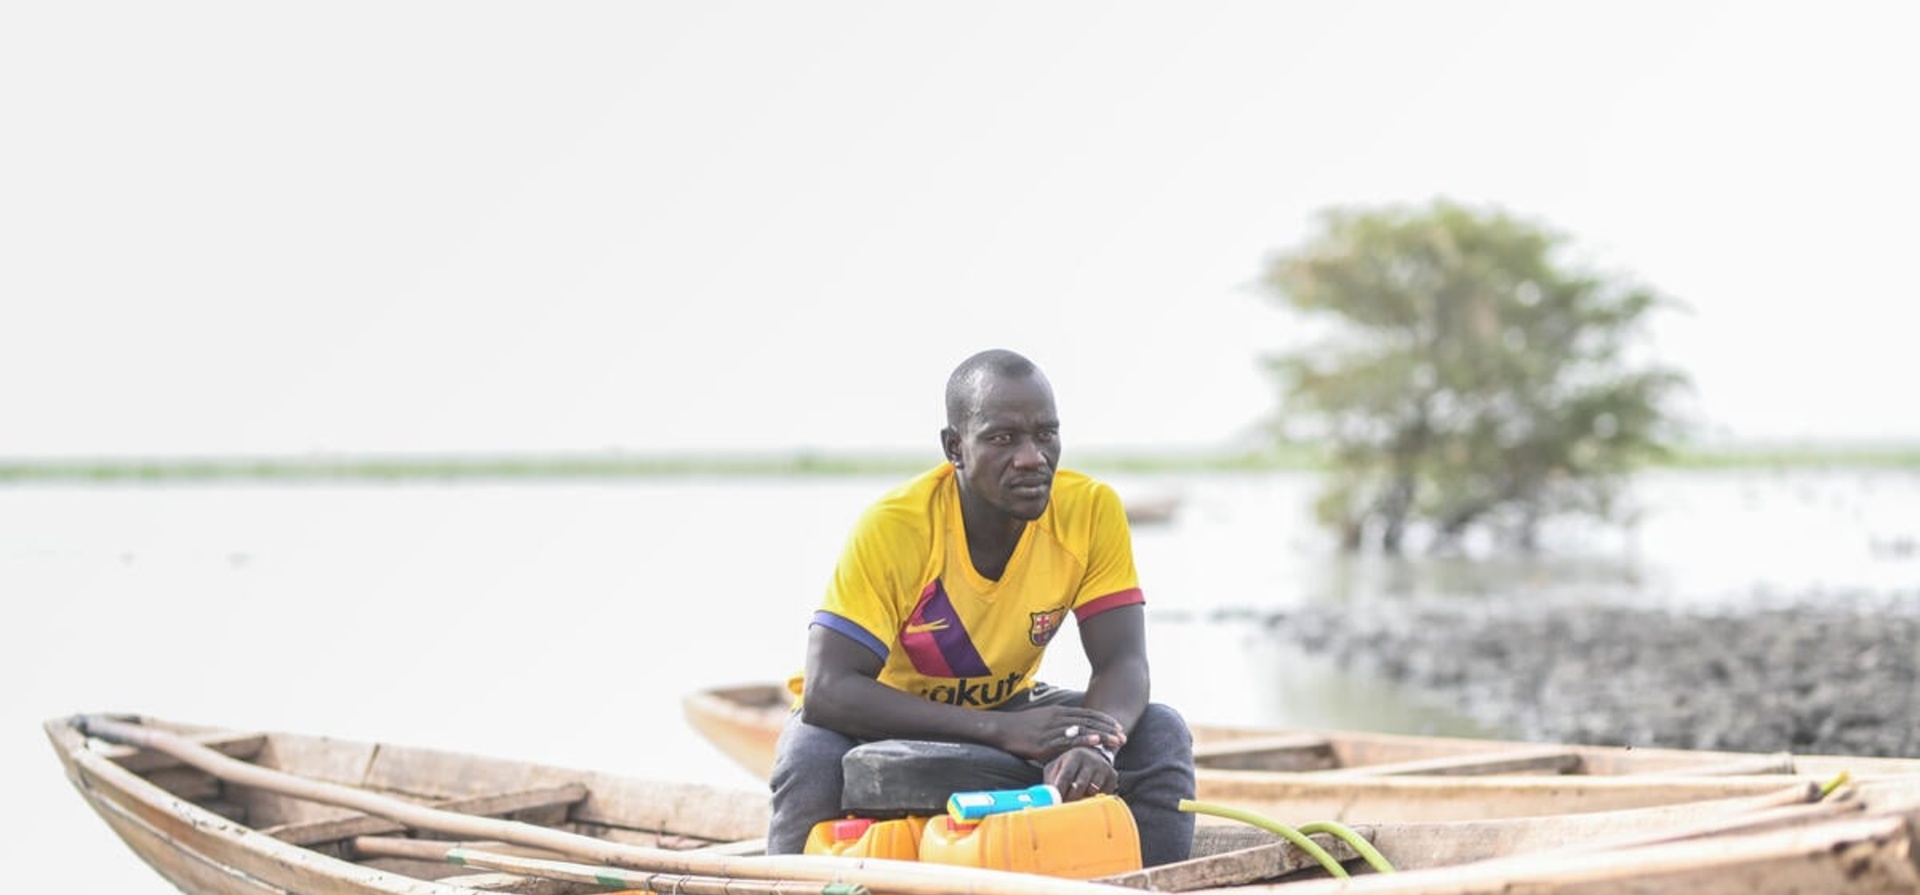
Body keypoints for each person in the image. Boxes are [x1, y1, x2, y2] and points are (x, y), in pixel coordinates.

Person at [766, 348, 1196, 867]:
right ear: (955, 448)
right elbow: (828, 691)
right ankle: (784, 880)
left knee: (1159, 731)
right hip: (882, 711)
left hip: (1005, 705)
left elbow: (1122, 663)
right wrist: (1005, 732)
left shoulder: (1089, 510)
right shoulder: (896, 527)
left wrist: (1097, 746)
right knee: (808, 757)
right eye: (1002, 438)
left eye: (1045, 434)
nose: (1032, 457)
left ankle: (1150, 881)